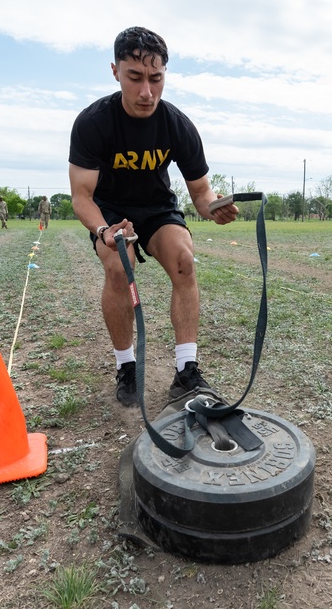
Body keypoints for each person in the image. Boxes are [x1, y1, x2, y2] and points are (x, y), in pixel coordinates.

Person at [69, 26, 239, 408]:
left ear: (164, 74)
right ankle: (127, 367)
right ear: (116, 71)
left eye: (156, 78)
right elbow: (81, 197)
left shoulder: (177, 125)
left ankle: (187, 371)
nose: (147, 91)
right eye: (135, 78)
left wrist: (215, 209)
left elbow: (200, 194)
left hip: (158, 209)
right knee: (118, 264)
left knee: (184, 261)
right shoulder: (93, 122)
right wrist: (103, 230)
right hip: (109, 211)